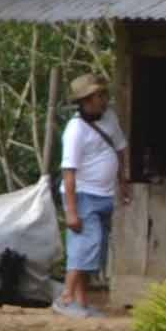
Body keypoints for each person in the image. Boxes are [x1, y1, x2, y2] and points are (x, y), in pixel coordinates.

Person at [54, 74, 120, 315]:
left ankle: (81, 303)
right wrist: (71, 211)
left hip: (105, 194)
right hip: (82, 195)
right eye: (98, 96)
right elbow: (69, 173)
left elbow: (120, 148)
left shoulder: (110, 117)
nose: (104, 100)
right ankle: (65, 297)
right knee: (85, 245)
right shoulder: (75, 130)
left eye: (104, 94)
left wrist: (123, 183)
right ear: (85, 101)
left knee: (95, 248)